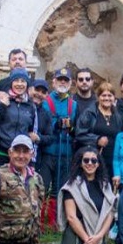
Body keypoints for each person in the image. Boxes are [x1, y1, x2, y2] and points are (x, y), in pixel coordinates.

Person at [0, 68, 40, 170]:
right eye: (16, 81)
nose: (19, 84)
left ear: (27, 84)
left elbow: (32, 132)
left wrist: (32, 159)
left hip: (19, 154)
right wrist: (2, 106)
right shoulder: (0, 99)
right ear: (11, 83)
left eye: (23, 81)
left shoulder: (31, 106)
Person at [41, 67, 78, 196]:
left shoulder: (73, 105)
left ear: (70, 83)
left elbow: (75, 129)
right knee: (43, 189)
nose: (62, 83)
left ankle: (58, 216)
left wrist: (71, 127)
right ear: (54, 82)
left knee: (62, 192)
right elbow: (42, 125)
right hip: (48, 152)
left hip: (66, 153)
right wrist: (56, 124)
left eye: (65, 80)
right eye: (60, 80)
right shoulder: (46, 101)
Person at [75, 82, 123, 177]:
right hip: (93, 160)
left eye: (110, 95)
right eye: (103, 95)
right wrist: (97, 139)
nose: (107, 98)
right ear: (98, 97)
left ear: (114, 98)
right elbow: (79, 134)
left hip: (112, 160)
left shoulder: (117, 115)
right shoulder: (90, 113)